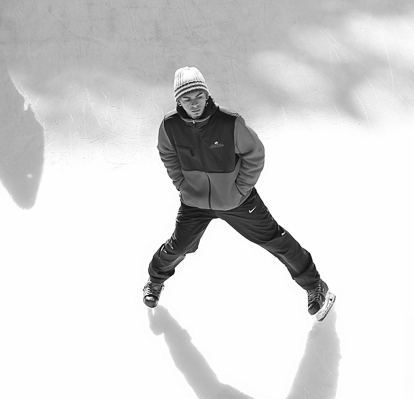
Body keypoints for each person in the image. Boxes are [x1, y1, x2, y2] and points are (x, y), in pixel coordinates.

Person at [144, 67, 336, 321]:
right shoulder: (170, 126)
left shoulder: (229, 122)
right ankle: (155, 281)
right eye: (187, 98)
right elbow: (167, 154)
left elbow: (255, 154)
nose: (194, 103)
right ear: (178, 100)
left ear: (206, 95)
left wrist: (240, 189)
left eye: (198, 96)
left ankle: (316, 287)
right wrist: (181, 184)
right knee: (178, 246)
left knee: (275, 240)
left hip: (237, 201)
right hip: (195, 202)